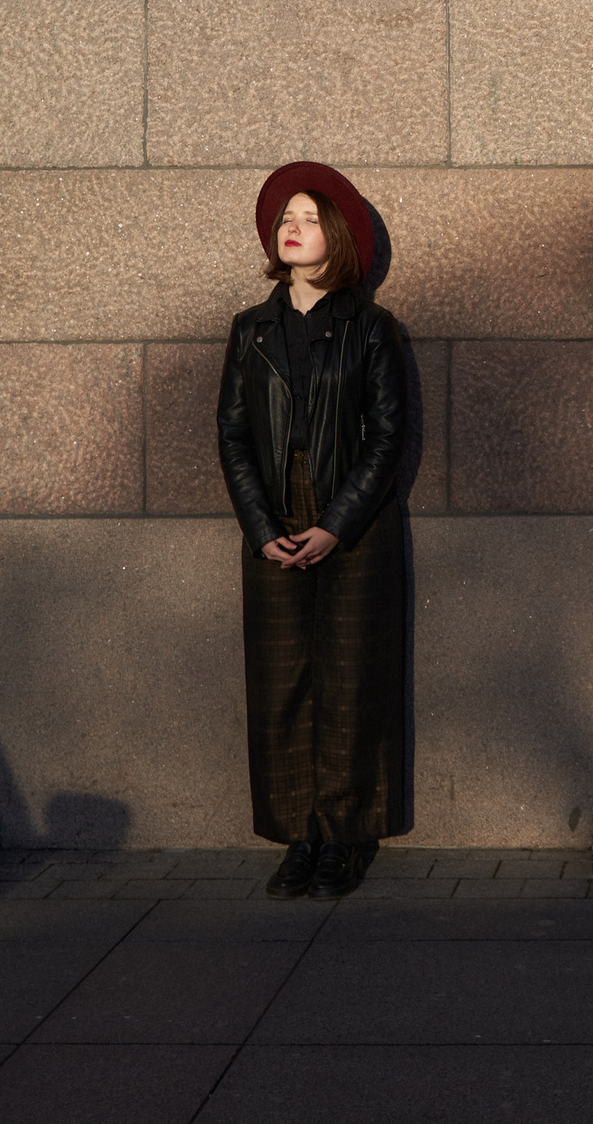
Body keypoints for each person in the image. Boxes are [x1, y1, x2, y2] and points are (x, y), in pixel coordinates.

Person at [216, 163, 408, 899]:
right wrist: (262, 525)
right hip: (272, 515)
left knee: (352, 678)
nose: (290, 225)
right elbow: (231, 435)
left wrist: (336, 523)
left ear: (339, 237)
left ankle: (346, 837)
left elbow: (387, 436)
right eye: (283, 217)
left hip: (353, 522)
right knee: (281, 681)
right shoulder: (249, 331)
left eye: (308, 215)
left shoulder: (369, 328)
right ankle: (298, 835)